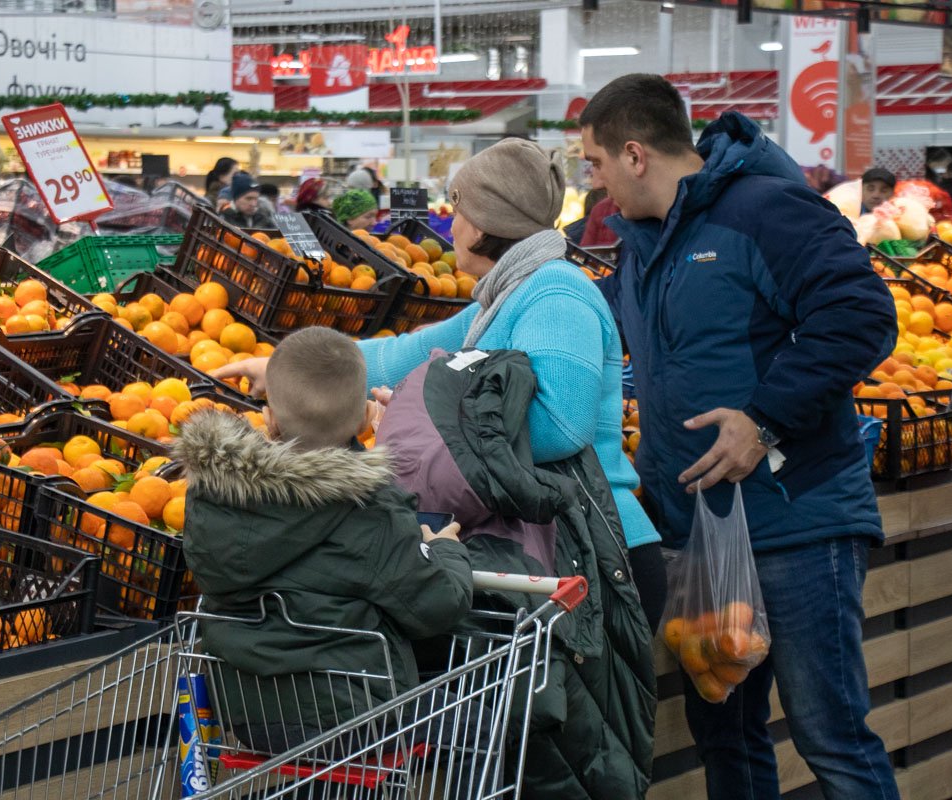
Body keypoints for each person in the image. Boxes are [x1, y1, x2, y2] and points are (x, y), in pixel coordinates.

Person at [215, 139, 659, 798]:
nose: (451, 223)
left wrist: (424, 418)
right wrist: (286, 369)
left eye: (457, 209)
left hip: (592, 560)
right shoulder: (502, 297)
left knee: (568, 773)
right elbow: (408, 354)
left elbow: (556, 423)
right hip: (538, 556)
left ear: (482, 219)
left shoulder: (556, 292)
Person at [580, 73, 899, 800]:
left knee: (831, 734)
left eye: (594, 163)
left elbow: (861, 315)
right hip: (700, 530)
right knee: (726, 734)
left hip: (797, 518)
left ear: (634, 154)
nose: (593, 186)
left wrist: (763, 419)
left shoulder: (766, 209)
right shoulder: (641, 248)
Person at [174, 326, 473, 749]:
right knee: (485, 716)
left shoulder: (213, 498)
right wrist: (445, 550)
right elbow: (438, 605)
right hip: (358, 718)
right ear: (364, 420)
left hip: (245, 711)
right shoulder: (371, 510)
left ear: (270, 418)